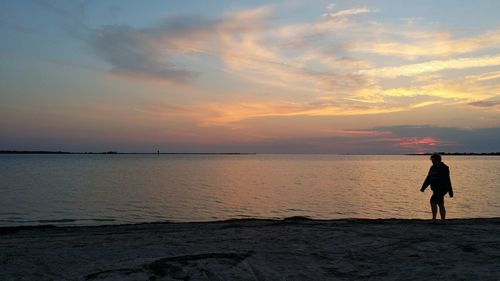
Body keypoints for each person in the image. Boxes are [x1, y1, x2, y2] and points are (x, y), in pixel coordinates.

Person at [420, 153, 454, 221]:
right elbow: (428, 178)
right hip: (435, 189)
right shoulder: (432, 167)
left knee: (434, 202)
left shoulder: (444, 168)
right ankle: (439, 219)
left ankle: (438, 219)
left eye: (433, 160)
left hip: (442, 188)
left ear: (438, 160)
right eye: (432, 160)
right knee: (438, 203)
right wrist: (423, 187)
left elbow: (447, 179)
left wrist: (450, 192)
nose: (432, 162)